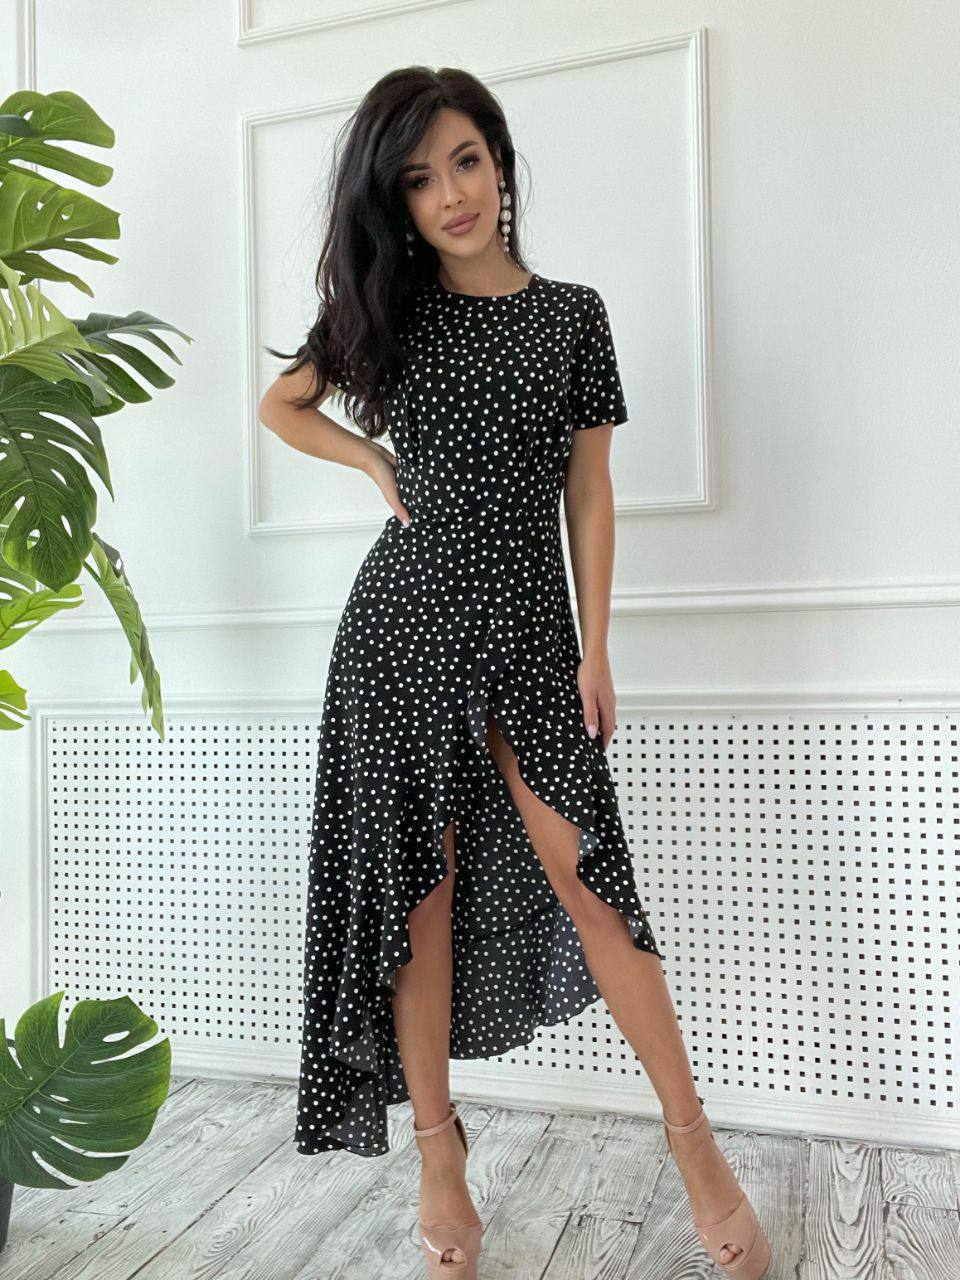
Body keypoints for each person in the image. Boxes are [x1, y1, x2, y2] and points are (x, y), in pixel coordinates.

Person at [258, 64, 771, 1280]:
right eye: (420, 178)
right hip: (405, 631)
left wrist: (599, 640)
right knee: (418, 898)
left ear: (501, 159)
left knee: (595, 887)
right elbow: (282, 404)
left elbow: (588, 489)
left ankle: (698, 1152)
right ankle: (441, 1156)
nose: (449, 195)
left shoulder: (572, 314)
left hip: (534, 635)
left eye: (466, 162)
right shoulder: (392, 310)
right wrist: (372, 467)